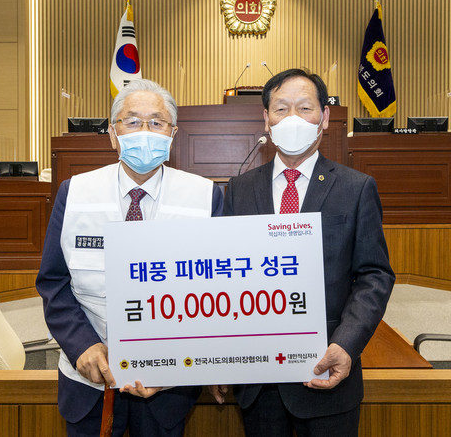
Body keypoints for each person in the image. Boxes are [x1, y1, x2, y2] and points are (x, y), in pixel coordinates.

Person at [211, 69, 394, 437]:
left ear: (324, 117)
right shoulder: (240, 189)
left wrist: (346, 343)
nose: (292, 118)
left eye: (305, 108)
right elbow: (224, 277)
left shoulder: (356, 188)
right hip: (258, 379)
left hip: (327, 371)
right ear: (266, 119)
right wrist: (219, 357)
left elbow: (374, 276)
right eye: (281, 109)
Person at [36, 79, 224, 437]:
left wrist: (173, 365)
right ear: (112, 134)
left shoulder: (204, 196)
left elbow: (216, 292)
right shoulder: (74, 193)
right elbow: (54, 283)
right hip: (88, 383)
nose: (145, 132)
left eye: (157, 122)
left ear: (173, 134)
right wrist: (82, 346)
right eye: (132, 121)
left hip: (168, 387)